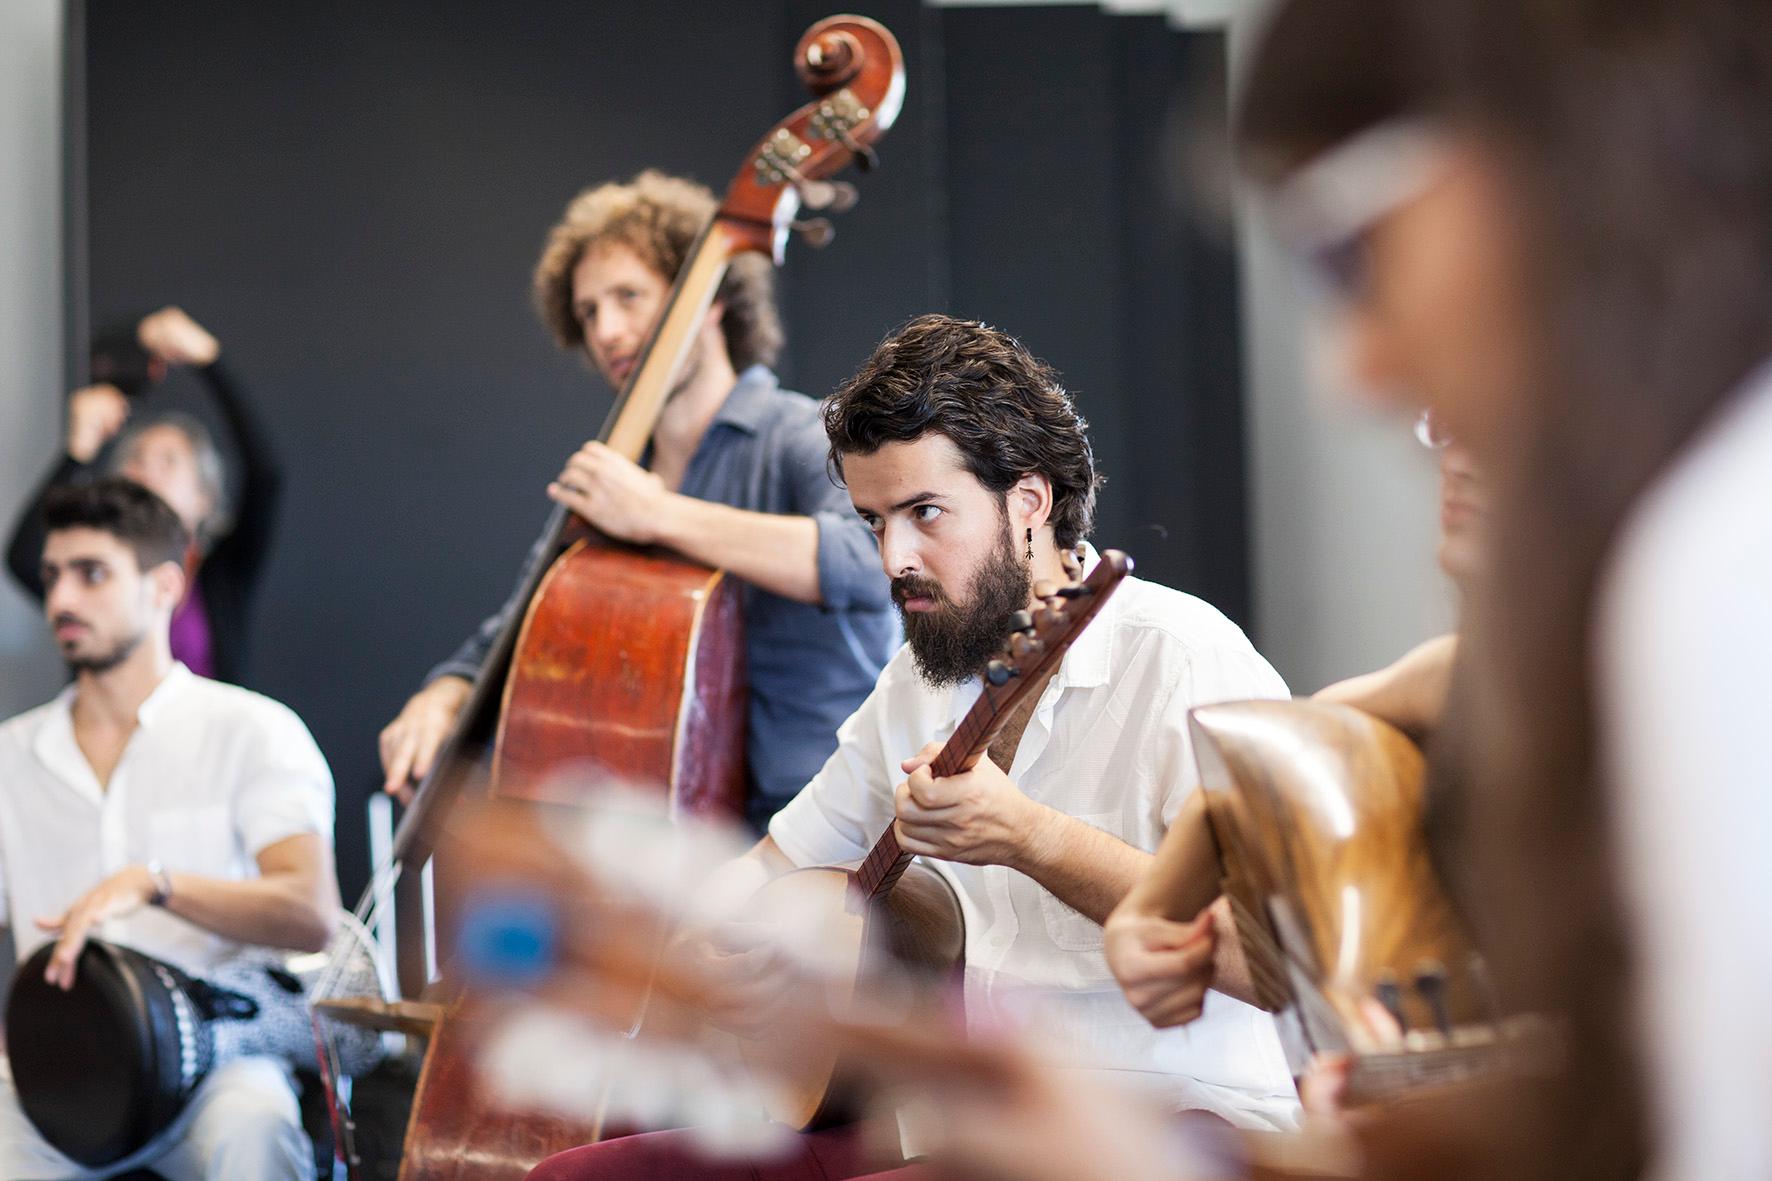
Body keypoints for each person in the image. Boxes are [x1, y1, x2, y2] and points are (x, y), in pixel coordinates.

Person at [524, 313, 1300, 1180]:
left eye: (925, 512)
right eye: (872, 521)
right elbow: (780, 863)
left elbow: (1279, 960)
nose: (894, 555)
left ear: (1029, 501)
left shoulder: (1185, 659)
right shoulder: (920, 679)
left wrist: (1030, 837)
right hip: (954, 1129)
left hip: (1170, 1130)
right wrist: (701, 947)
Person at [377, 170, 897, 829]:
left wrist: (658, 514)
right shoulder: (616, 472)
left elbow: (873, 558)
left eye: (629, 296)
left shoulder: (805, 433)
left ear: (707, 298)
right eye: (590, 311)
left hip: (827, 826)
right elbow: (520, 630)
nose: (607, 330)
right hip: (677, 840)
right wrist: (443, 694)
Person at [0, 479, 340, 1180]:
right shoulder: (11, 754)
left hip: (219, 1059)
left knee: (255, 1135)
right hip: (60, 1072)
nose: (62, 600)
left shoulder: (252, 730)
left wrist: (155, 884)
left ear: (165, 585)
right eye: (53, 576)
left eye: (91, 574)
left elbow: (311, 914)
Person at [5, 307, 282, 687]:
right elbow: (24, 558)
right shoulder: (90, 572)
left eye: (168, 461)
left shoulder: (219, 578)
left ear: (204, 498)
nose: (148, 472)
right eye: (136, 459)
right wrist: (76, 453)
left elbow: (266, 475)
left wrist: (210, 360)